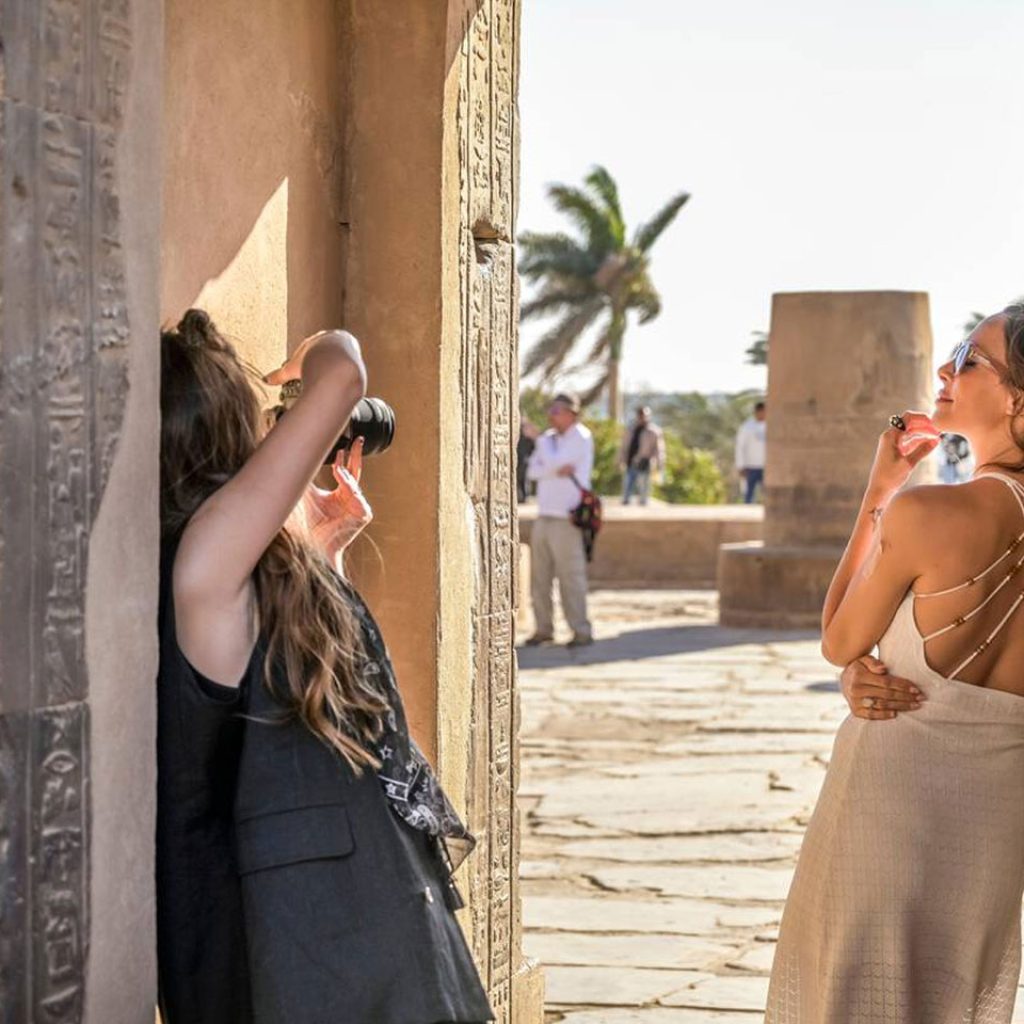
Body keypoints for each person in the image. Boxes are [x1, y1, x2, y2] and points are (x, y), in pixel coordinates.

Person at [158, 310, 493, 1024]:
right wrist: (306, 358)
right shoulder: (202, 568)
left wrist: (326, 550)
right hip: (296, 948)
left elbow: (309, 717)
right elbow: (343, 370)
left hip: (360, 929)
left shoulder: (229, 573)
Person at [765, 302, 1024, 1023]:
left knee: (855, 994)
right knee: (953, 998)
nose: (945, 369)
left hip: (892, 802)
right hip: (997, 825)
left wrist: (881, 493)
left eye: (971, 360)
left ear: (1018, 400)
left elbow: (841, 639)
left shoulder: (927, 514)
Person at [523, 392, 594, 648]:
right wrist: (552, 469)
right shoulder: (550, 439)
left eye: (556, 411)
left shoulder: (580, 437)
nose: (550, 416)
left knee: (570, 578)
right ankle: (543, 628)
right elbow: (534, 471)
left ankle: (581, 629)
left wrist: (540, 444)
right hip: (545, 514)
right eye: (549, 411)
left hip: (567, 517)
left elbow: (553, 462)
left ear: (571, 413)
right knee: (540, 578)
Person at [617, 405, 666, 505]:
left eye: (644, 415)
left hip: (644, 463)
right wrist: (619, 460)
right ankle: (626, 507)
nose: (642, 417)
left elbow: (659, 450)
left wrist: (660, 465)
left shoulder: (654, 431)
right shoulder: (630, 429)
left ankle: (643, 513)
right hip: (630, 462)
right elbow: (624, 446)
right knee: (627, 487)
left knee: (643, 489)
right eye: (640, 415)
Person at [734, 400, 766, 503]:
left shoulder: (769, 426)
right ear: (758, 411)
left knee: (768, 496)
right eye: (763, 411)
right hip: (750, 467)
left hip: (766, 466)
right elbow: (740, 447)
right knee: (749, 495)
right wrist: (740, 466)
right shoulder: (746, 427)